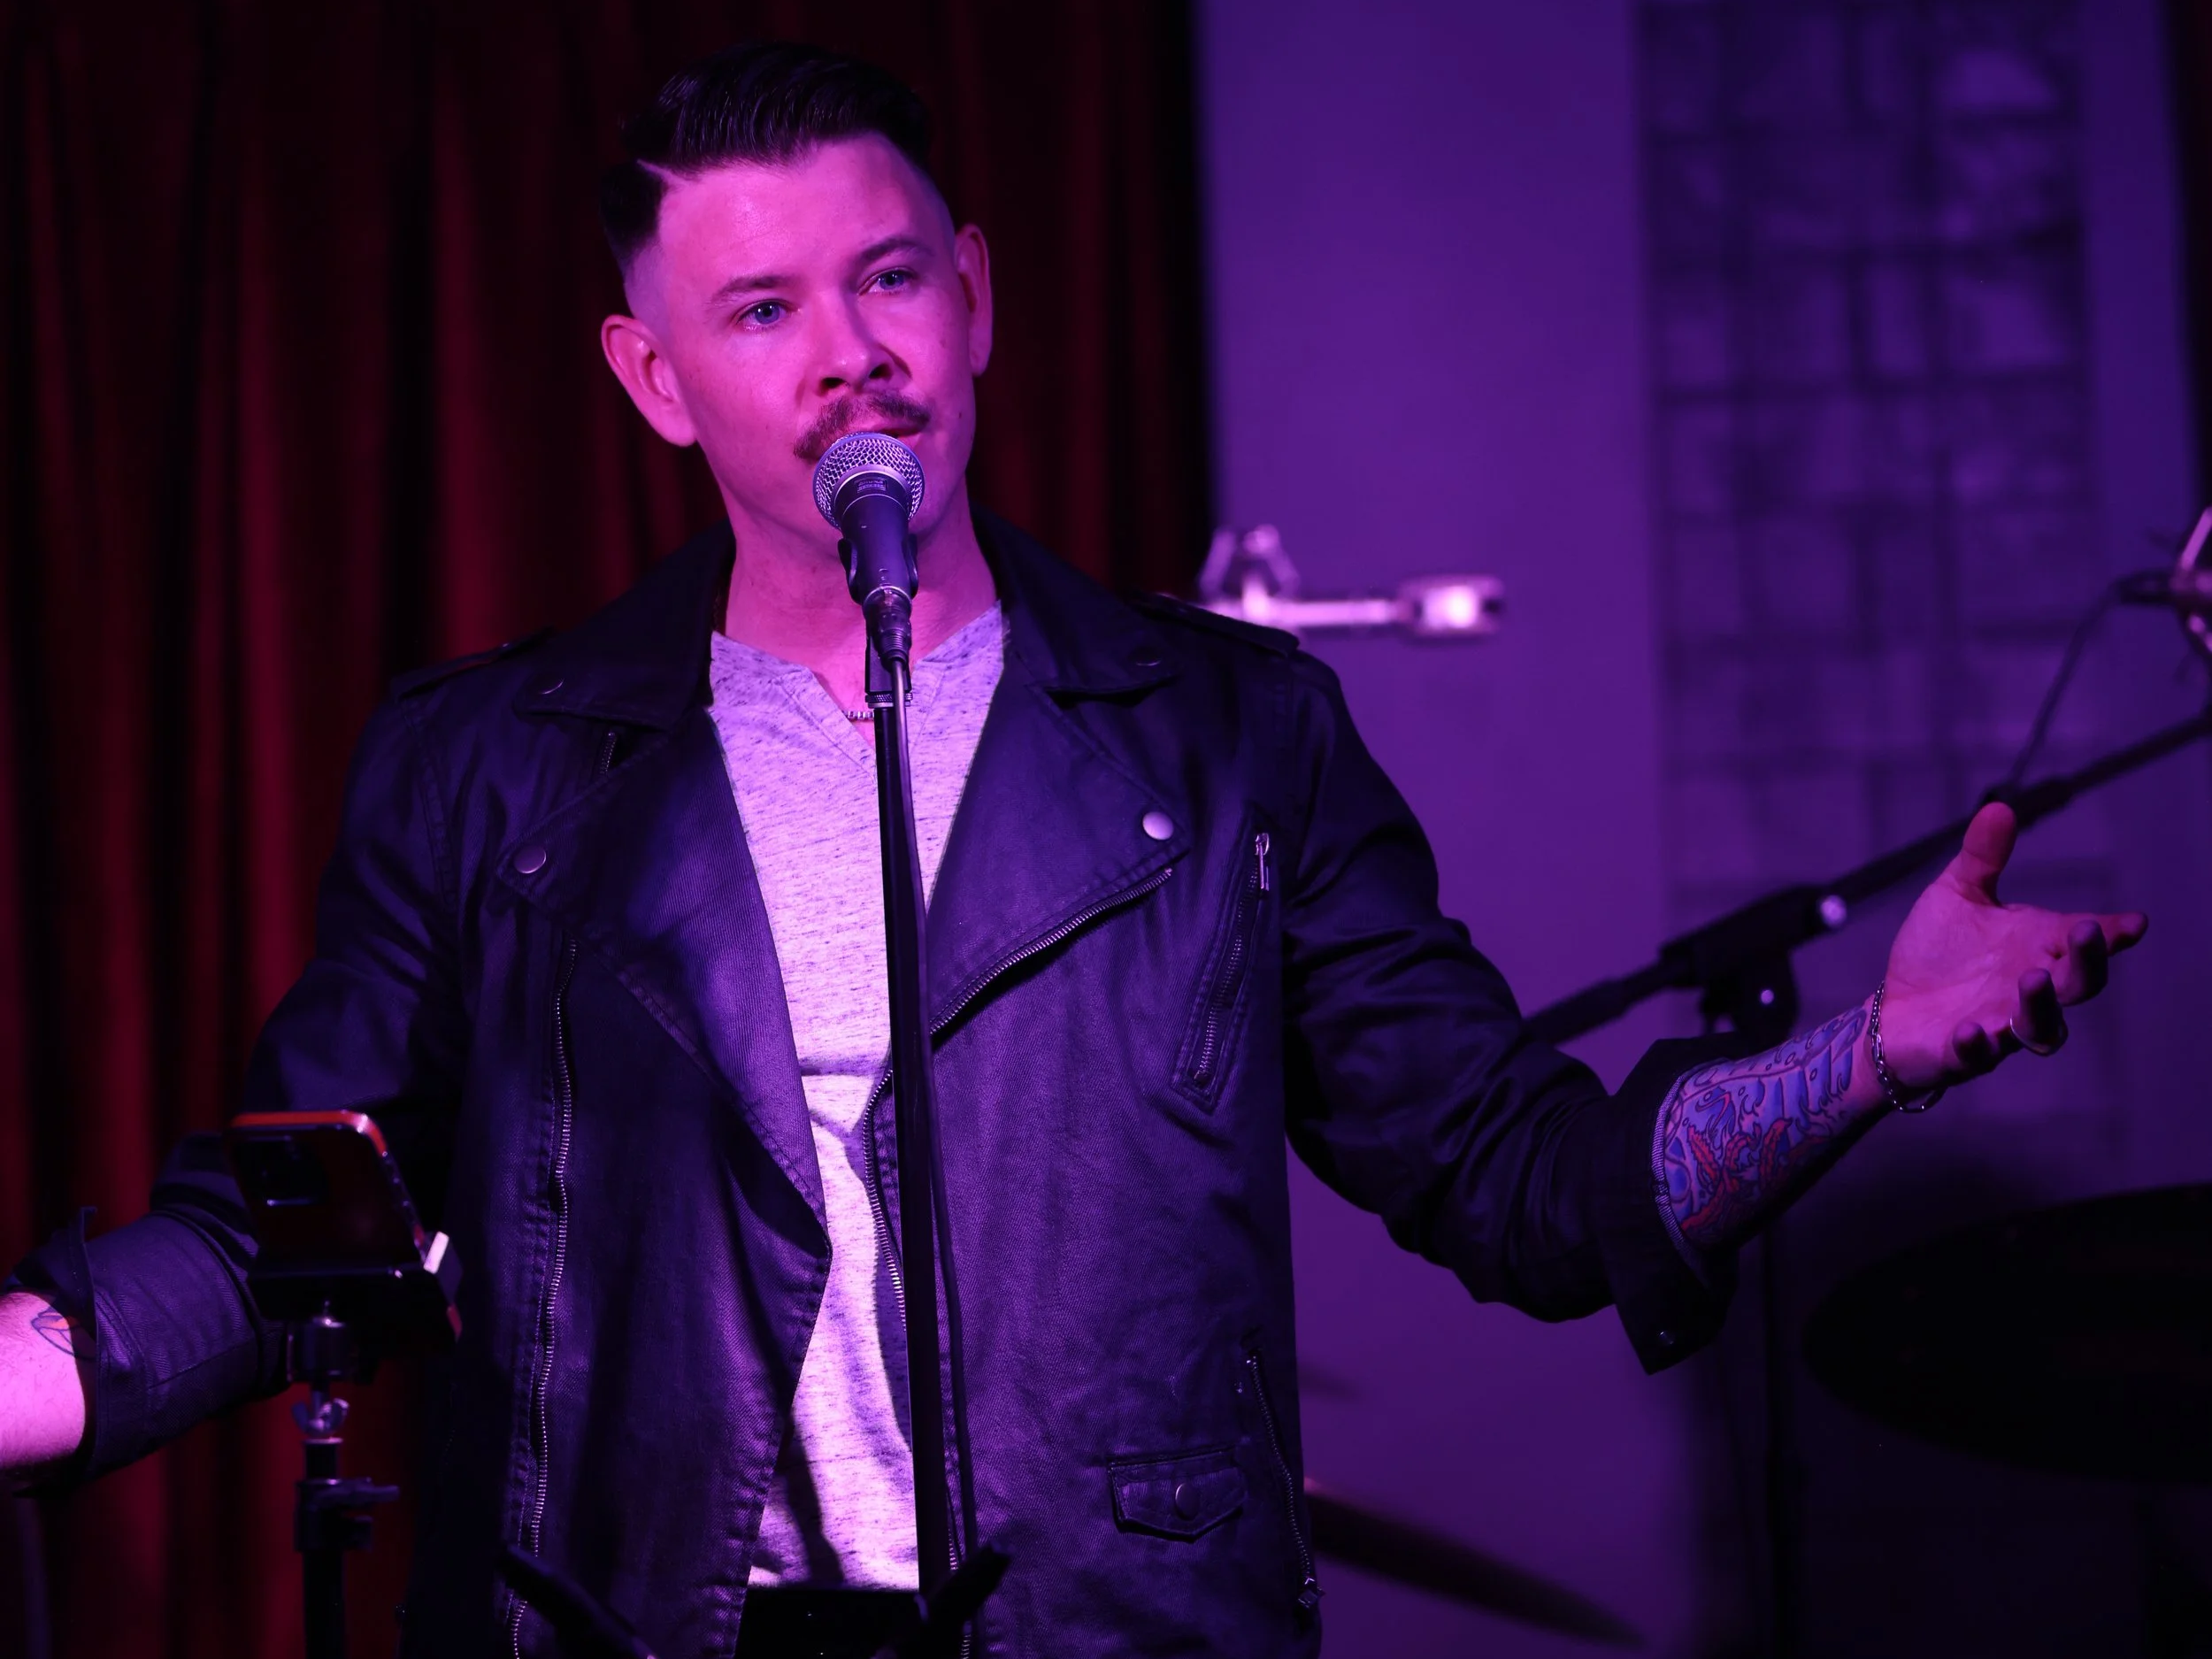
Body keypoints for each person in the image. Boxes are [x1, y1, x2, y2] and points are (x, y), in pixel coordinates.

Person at [0, 40, 2147, 1659]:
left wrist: (1864, 1053)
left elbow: (1528, 1186)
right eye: (763, 315)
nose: (852, 356)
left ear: (979, 295)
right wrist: (41, 1366)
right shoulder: (490, 767)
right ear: (655, 380)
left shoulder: (1224, 739)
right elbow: (304, 1232)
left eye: (891, 279)